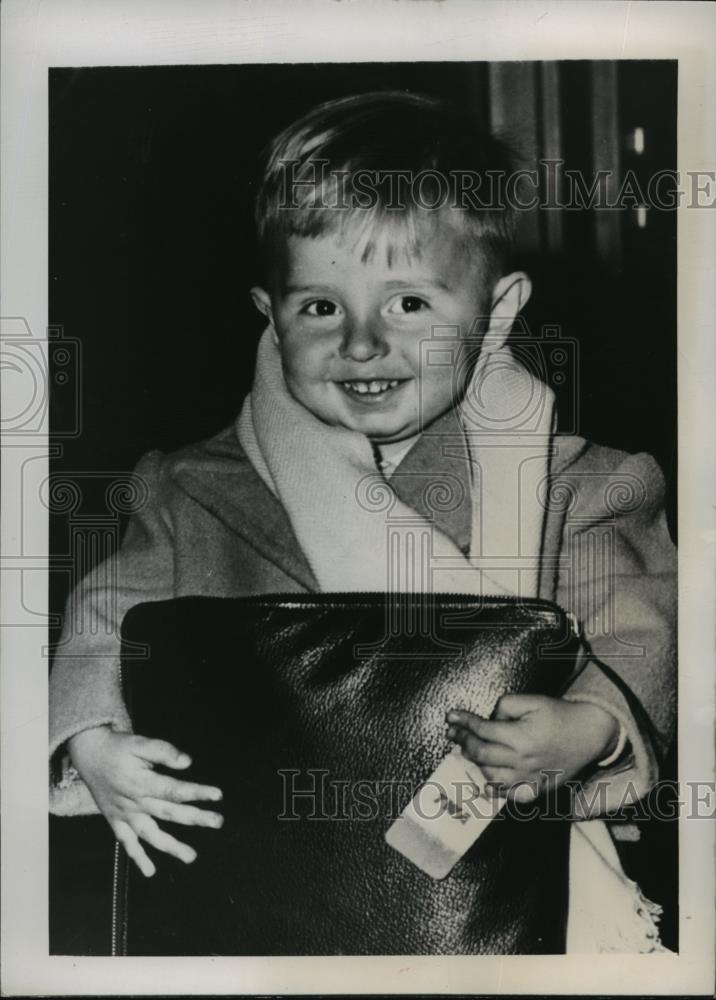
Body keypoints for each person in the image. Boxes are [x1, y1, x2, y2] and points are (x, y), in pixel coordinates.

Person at [49, 91, 676, 950]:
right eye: (320, 307)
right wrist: (90, 737)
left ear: (496, 312)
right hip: (256, 891)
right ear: (271, 315)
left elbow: (646, 624)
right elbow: (102, 618)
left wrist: (592, 726)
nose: (361, 342)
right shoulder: (190, 486)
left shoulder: (580, 485)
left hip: (494, 903)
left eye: (410, 304)